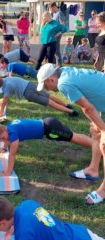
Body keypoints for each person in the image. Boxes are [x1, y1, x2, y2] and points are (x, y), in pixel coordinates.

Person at [36, 63, 105, 204]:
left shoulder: (63, 84)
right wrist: (98, 126)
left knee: (104, 144)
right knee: (95, 134)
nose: (49, 90)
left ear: (51, 80)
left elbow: (87, 109)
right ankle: (93, 169)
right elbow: (90, 94)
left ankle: (103, 191)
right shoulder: (64, 71)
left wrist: (103, 128)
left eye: (46, 86)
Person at [0, 118, 91, 176]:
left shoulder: (13, 134)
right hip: (48, 122)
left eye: (2, 139)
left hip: (51, 129)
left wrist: (8, 171)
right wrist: (3, 148)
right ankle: (96, 143)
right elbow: (8, 139)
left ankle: (97, 146)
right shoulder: (10, 126)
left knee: (74, 138)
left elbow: (12, 153)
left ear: (3, 130)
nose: (3, 141)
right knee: (73, 136)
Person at [0, 195, 104, 239]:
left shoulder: (23, 234)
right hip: (81, 233)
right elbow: (34, 223)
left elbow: (27, 231)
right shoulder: (26, 204)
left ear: (2, 223)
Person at [0, 76, 78, 118]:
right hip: (31, 85)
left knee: (49, 102)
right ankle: (66, 105)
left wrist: (0, 113)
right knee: (49, 96)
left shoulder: (6, 87)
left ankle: (71, 112)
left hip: (28, 93)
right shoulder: (6, 78)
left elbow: (5, 101)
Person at [49, 2, 66, 66]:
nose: (50, 10)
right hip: (53, 35)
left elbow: (63, 25)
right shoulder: (54, 14)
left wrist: (59, 33)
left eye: (51, 9)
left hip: (57, 35)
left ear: (54, 7)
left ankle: (59, 66)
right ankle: (54, 64)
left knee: (56, 50)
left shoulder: (59, 13)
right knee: (53, 50)